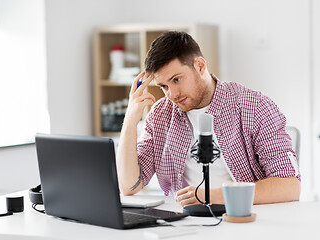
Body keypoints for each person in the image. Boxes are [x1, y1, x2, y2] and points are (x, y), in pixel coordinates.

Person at [116, 31, 301, 207]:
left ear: (200, 66)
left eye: (177, 80)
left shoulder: (254, 106)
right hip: (185, 223)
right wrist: (130, 120)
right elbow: (129, 186)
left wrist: (214, 197)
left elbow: (290, 186)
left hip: (241, 216)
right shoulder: (161, 114)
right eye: (163, 86)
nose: (171, 94)